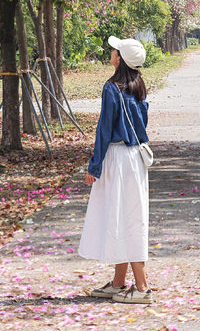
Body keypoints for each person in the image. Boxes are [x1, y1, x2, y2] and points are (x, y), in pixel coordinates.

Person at [78, 35, 153, 304]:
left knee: (125, 218)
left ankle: (142, 288)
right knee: (130, 215)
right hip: (136, 159)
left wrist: (94, 166)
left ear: (119, 59)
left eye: (115, 50)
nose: (111, 52)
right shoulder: (139, 86)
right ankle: (120, 282)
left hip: (117, 158)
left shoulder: (112, 88)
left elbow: (104, 130)